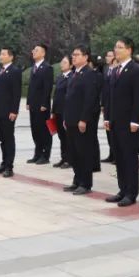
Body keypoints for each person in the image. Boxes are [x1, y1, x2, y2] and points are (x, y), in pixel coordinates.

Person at [103, 38, 139, 207]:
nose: (116, 50)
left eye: (120, 47)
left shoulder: (136, 70)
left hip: (129, 122)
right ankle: (122, 189)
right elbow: (109, 97)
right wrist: (107, 117)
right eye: (115, 47)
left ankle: (131, 193)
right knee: (119, 158)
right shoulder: (114, 70)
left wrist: (136, 120)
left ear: (129, 50)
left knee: (129, 158)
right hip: (114, 121)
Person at [62, 45, 100, 195]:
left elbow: (90, 99)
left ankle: (86, 183)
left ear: (85, 57)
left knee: (83, 152)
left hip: (81, 121)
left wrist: (84, 119)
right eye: (73, 55)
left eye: (77, 54)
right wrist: (65, 118)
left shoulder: (89, 74)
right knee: (74, 152)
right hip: (71, 120)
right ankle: (77, 180)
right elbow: (69, 99)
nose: (74, 57)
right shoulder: (73, 74)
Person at [0, 47, 22, 177]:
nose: (1, 56)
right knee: (2, 139)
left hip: (9, 111)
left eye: (3, 54)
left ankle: (9, 166)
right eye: (0, 54)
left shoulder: (15, 71)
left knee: (9, 138)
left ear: (11, 57)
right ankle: (4, 163)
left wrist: (14, 110)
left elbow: (17, 93)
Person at [26, 44, 54, 165]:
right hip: (33, 104)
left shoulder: (47, 67)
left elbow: (47, 87)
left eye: (36, 50)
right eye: (33, 50)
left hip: (42, 105)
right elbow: (31, 87)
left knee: (44, 130)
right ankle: (37, 153)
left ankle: (45, 155)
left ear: (43, 53)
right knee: (35, 129)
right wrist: (28, 101)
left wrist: (44, 103)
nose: (33, 52)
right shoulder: (34, 67)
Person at [51, 56, 72, 168]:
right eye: (61, 62)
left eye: (64, 62)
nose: (61, 64)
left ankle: (69, 160)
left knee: (67, 137)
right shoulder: (59, 77)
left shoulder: (72, 77)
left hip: (66, 112)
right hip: (58, 111)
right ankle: (63, 158)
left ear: (71, 65)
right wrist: (53, 111)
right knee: (61, 136)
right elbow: (56, 96)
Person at [101, 49, 117, 163]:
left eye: (110, 56)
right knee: (108, 130)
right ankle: (111, 154)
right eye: (107, 55)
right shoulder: (106, 69)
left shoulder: (117, 70)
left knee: (114, 130)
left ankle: (116, 155)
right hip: (106, 103)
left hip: (114, 104)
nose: (108, 58)